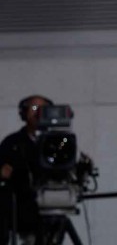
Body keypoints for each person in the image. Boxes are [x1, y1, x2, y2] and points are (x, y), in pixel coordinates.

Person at [0, 95, 53, 244]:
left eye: (43, 109)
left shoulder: (59, 142)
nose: (39, 113)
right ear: (24, 113)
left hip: (51, 210)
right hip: (22, 213)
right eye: (34, 108)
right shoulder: (13, 143)